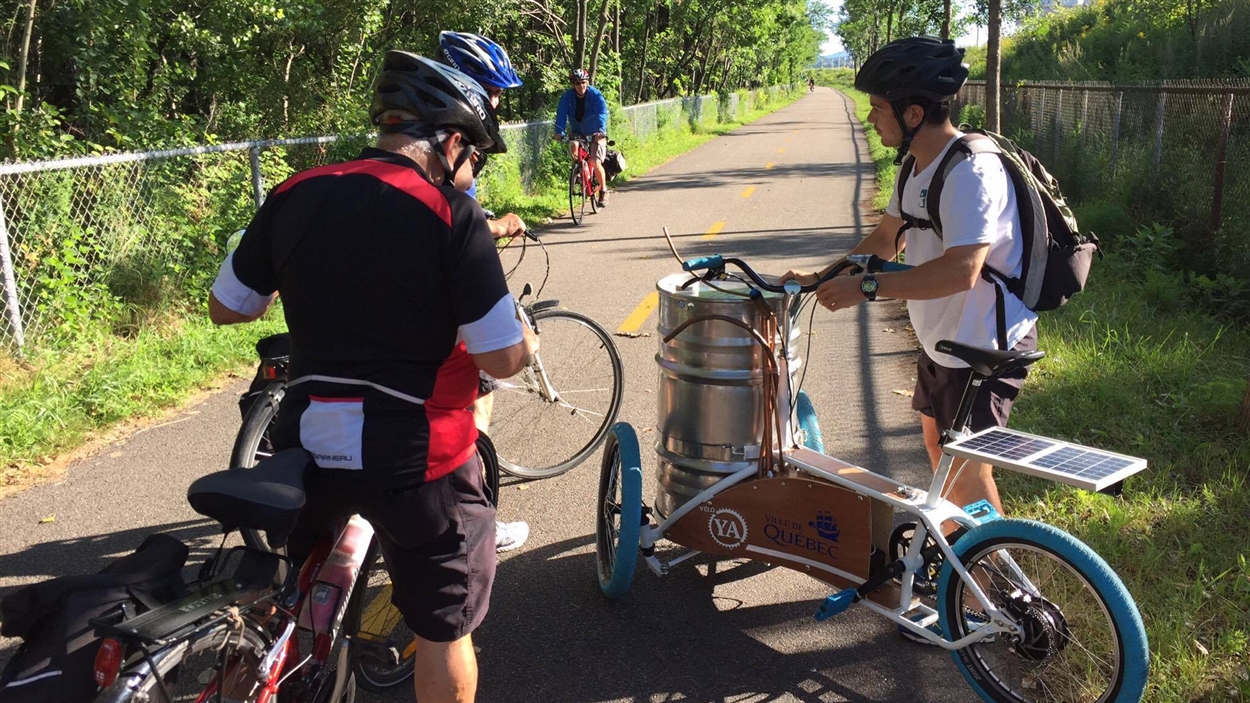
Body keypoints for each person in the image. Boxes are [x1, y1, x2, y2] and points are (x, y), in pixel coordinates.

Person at [207, 51, 537, 702]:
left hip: (306, 444)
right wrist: (526, 338)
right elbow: (500, 360)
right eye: (478, 156)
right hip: (416, 458)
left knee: (294, 591)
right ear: (450, 141)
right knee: (445, 631)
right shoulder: (451, 215)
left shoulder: (294, 192)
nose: (475, 170)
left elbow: (228, 306)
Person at [782, 36, 1036, 637]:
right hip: (944, 342)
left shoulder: (973, 170)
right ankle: (960, 578)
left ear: (912, 112)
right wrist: (821, 277)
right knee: (941, 460)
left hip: (984, 347)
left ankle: (986, 606)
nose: (870, 115)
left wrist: (868, 291)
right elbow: (882, 243)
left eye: (877, 106)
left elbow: (960, 270)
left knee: (968, 473)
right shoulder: (914, 166)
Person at [439, 29, 532, 553]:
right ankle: (477, 516)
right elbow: (454, 214)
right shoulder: (455, 139)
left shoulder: (431, 136)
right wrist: (493, 227)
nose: (495, 102)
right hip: (445, 284)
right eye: (492, 91)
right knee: (482, 382)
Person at [438, 31, 528, 241]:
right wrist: (499, 227)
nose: (494, 103)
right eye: (489, 92)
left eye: (499, 94)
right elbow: (446, 223)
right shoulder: (445, 142)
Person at [553, 68, 611, 207]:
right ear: (573, 85)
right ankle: (580, 169)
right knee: (573, 146)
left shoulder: (595, 95)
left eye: (584, 82)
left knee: (594, 161)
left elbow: (602, 113)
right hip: (578, 130)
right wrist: (559, 132)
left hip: (596, 132)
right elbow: (561, 114)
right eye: (578, 83)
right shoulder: (567, 97)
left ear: (588, 82)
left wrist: (601, 131)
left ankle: (603, 190)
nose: (581, 86)